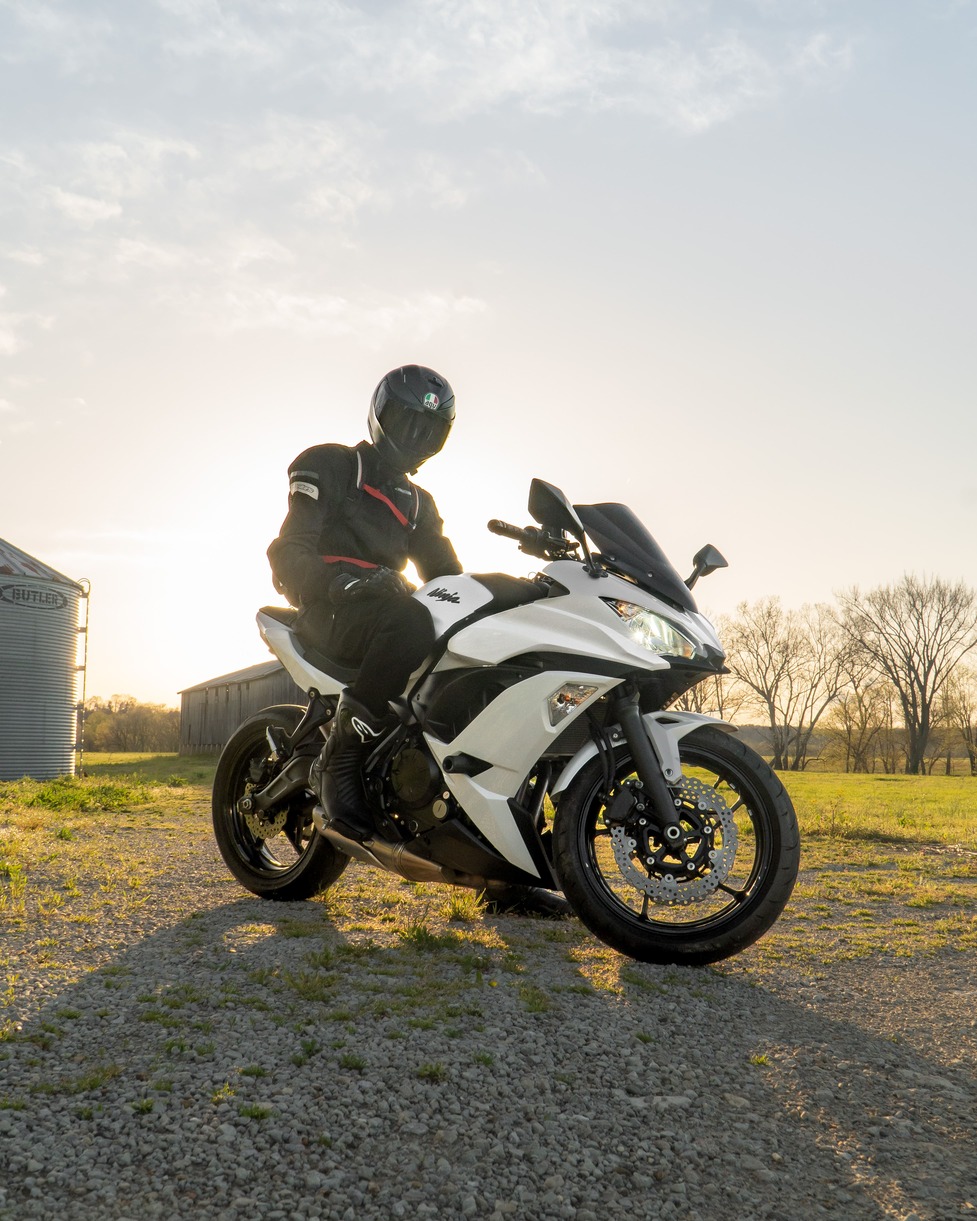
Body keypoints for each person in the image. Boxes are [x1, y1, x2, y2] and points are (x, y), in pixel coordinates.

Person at [267, 365, 572, 918]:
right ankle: (344, 753)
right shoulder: (332, 464)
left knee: (497, 654)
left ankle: (505, 874)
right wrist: (338, 581)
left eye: (428, 429)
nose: (415, 436)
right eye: (407, 420)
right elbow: (289, 549)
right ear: (380, 416)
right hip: (331, 608)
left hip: (391, 612)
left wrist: (527, 590)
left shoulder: (419, 502)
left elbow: (448, 578)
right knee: (411, 619)